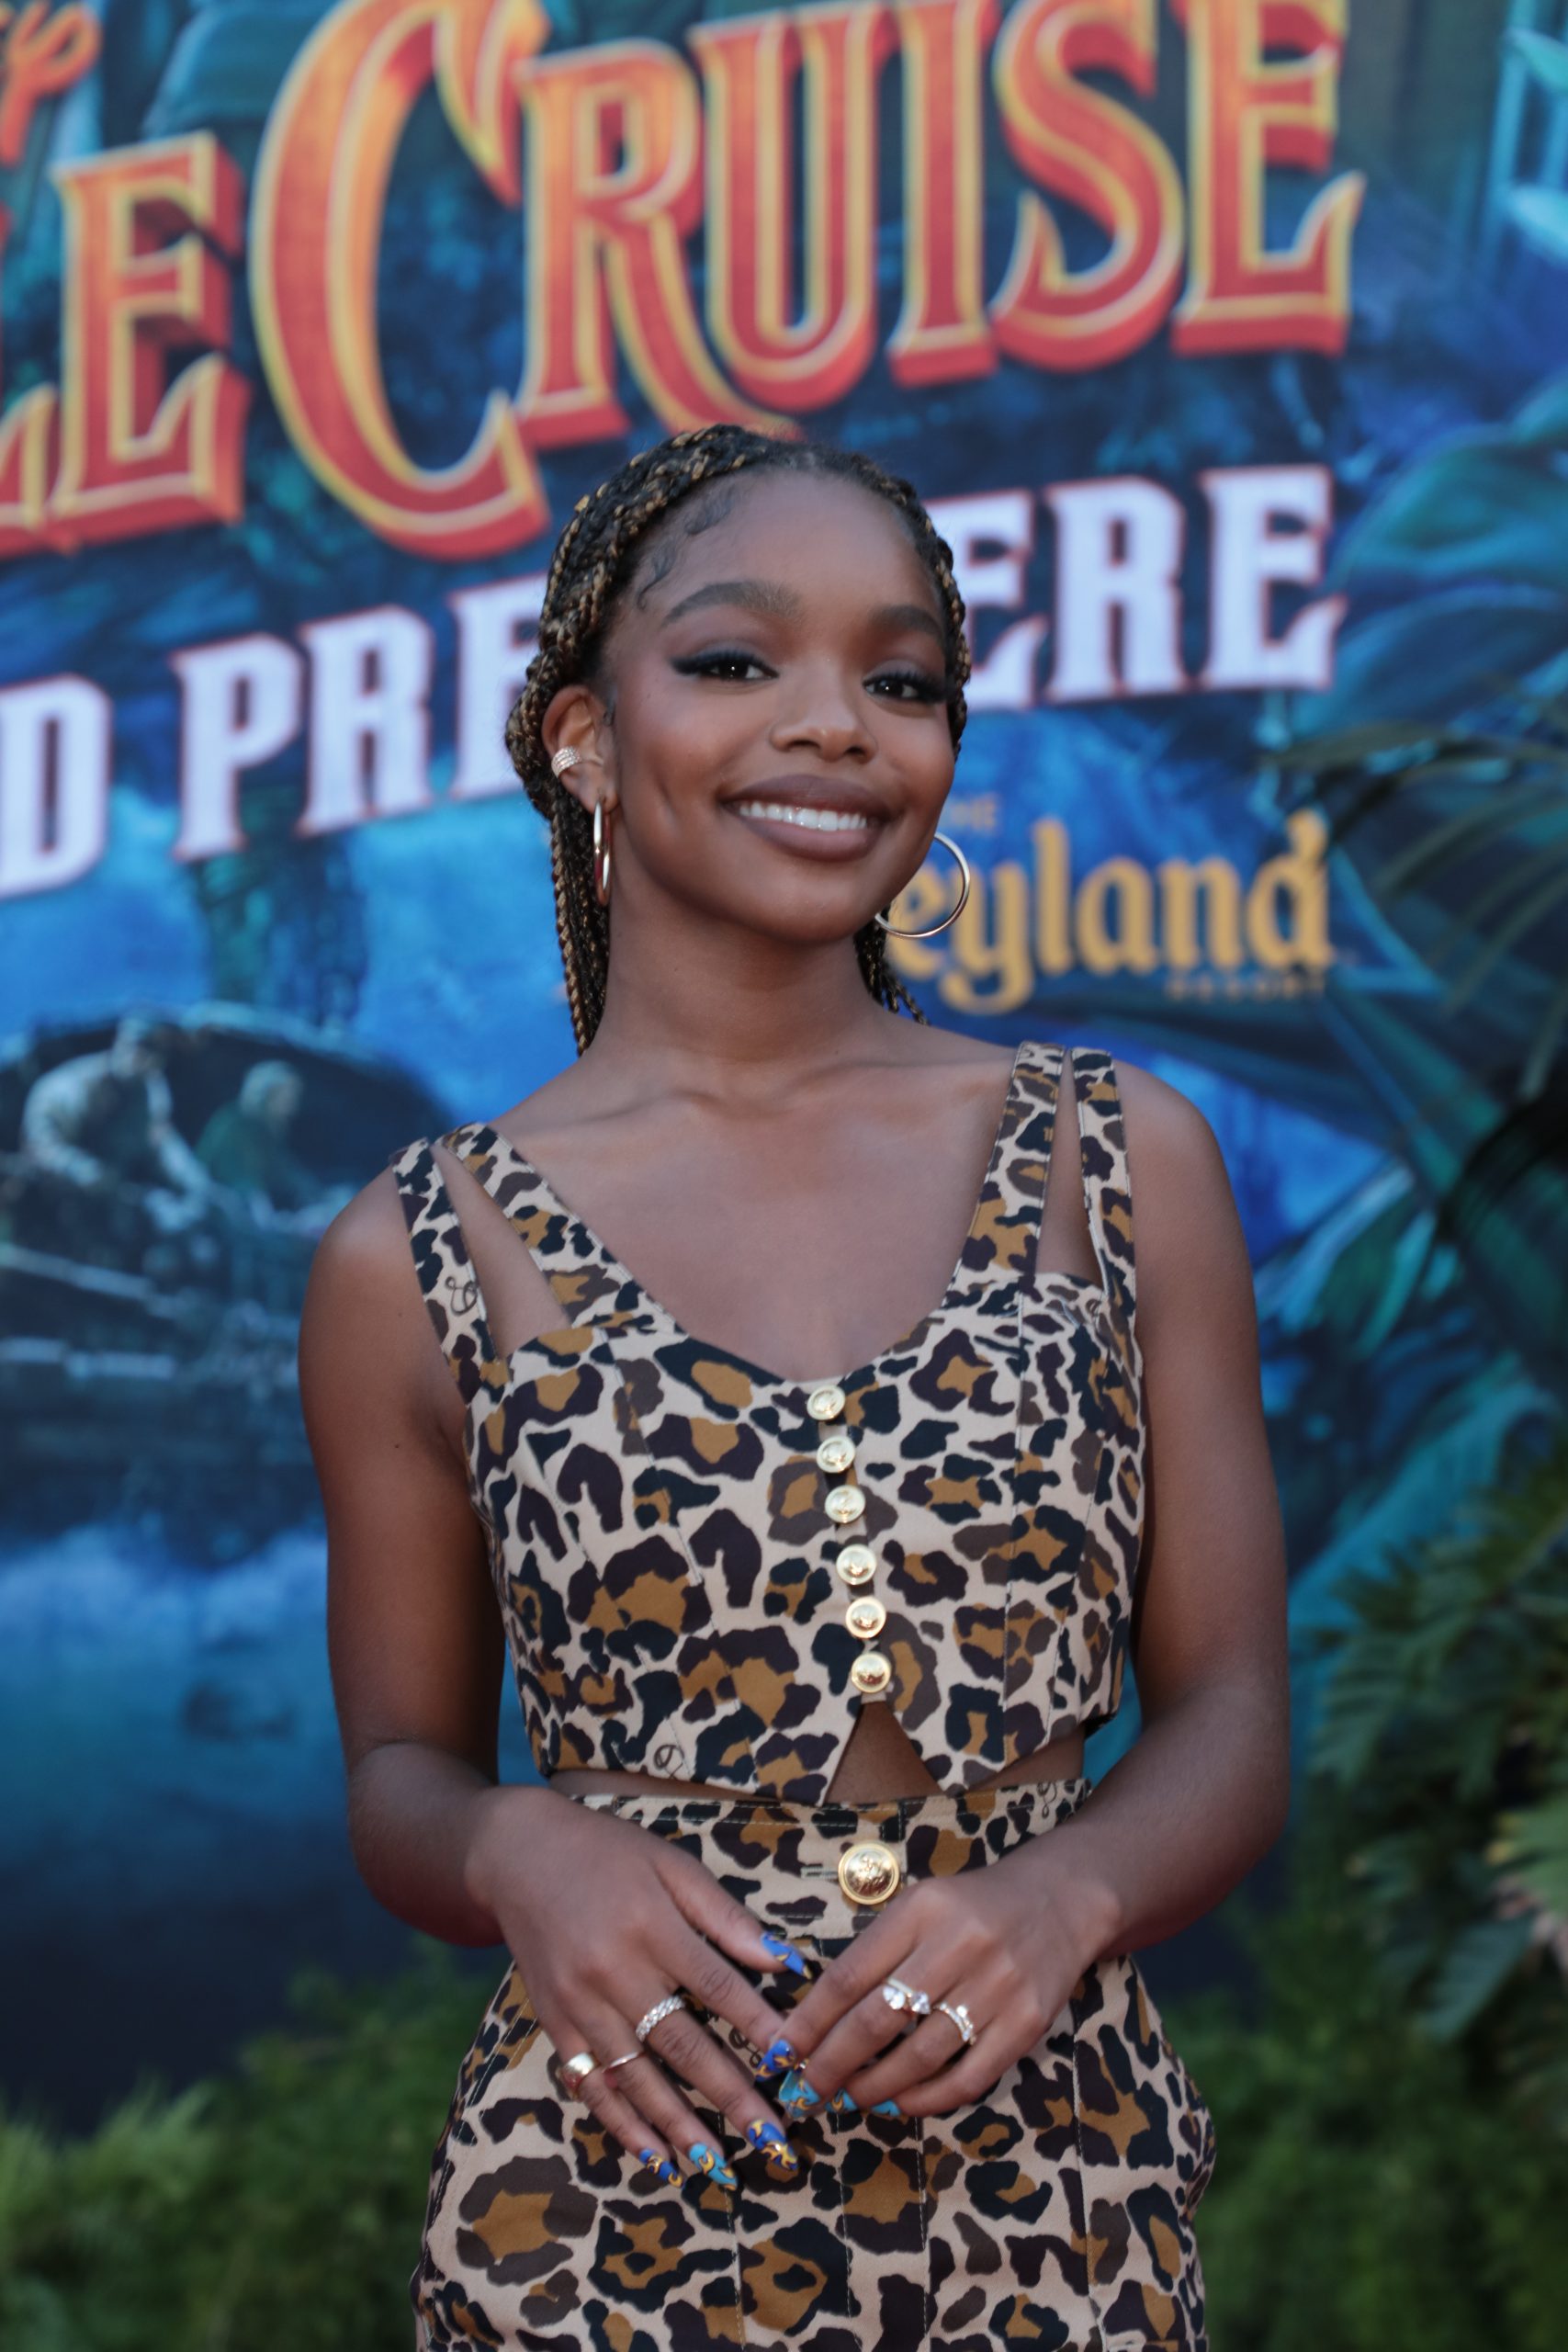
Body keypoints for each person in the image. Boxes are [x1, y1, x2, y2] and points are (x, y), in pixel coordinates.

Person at [299, 424, 1290, 2352]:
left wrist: (1068, 1892)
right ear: (583, 737)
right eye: (736, 659)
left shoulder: (1114, 1161)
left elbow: (1235, 1714)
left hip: (1054, 2216)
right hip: (601, 2226)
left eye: (900, 680)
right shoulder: (414, 1253)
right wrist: (515, 1845)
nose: (833, 722)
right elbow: (397, 1775)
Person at [20, 1012, 214, 1234]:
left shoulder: (151, 1093)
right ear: (121, 1042)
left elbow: (162, 1141)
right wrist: (80, 1169)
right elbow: (41, 1146)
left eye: (160, 1053)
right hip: (48, 1207)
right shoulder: (67, 1088)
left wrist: (195, 1181)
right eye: (142, 1047)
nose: (149, 1060)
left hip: (108, 1209)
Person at [196, 1058, 319, 1216]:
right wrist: (262, 1210)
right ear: (266, 1095)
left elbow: (284, 1170)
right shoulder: (234, 1123)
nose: (293, 1105)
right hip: (210, 1205)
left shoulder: (268, 1131)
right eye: (287, 1096)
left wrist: (315, 1192)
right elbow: (238, 1176)